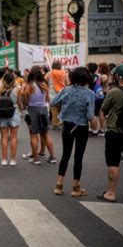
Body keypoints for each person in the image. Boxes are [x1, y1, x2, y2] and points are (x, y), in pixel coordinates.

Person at [51, 67, 94, 197]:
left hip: (67, 125)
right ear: (86, 79)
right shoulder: (89, 93)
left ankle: (59, 185)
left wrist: (64, 109)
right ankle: (76, 188)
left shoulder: (66, 90)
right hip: (81, 126)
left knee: (65, 155)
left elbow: (53, 102)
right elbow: (90, 115)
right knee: (78, 157)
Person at [97, 64, 123, 202]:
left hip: (115, 131)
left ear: (118, 77)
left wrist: (103, 124)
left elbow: (103, 110)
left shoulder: (114, 92)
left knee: (113, 162)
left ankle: (111, 193)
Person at [21, 66, 57, 165]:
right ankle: (52, 156)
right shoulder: (44, 85)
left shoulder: (28, 86)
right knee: (45, 134)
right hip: (43, 110)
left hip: (32, 110)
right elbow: (47, 99)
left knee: (33, 135)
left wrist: (25, 105)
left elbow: (24, 100)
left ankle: (36, 158)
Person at [0, 72, 22, 166]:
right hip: (14, 112)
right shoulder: (18, 89)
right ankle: (12, 159)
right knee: (13, 137)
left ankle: (4, 159)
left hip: (2, 112)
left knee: (4, 137)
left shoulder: (0, 89)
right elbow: (19, 102)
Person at [45, 61, 69, 129]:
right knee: (62, 108)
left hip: (52, 93)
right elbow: (68, 83)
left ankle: (55, 124)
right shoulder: (64, 73)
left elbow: (45, 81)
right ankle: (62, 122)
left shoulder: (49, 73)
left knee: (54, 110)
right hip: (62, 92)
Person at [88, 62, 105, 136]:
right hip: (100, 94)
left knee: (93, 114)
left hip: (93, 96)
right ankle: (102, 129)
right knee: (101, 113)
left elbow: (88, 86)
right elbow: (100, 84)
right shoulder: (99, 76)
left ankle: (93, 130)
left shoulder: (89, 76)